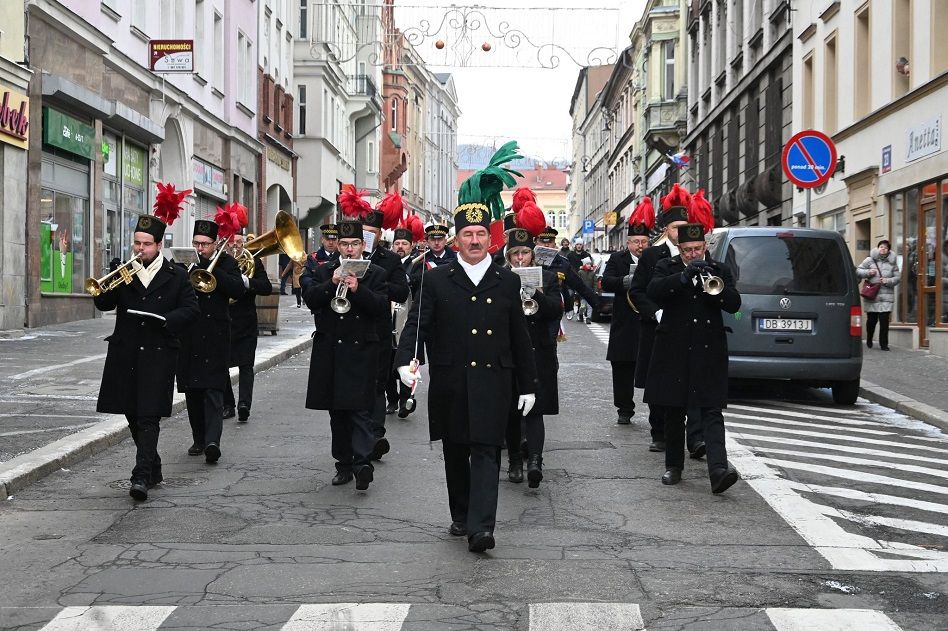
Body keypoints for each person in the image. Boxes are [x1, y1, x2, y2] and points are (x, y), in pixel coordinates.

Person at [395, 143, 538, 553]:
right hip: (451, 380)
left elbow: (519, 337)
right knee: (456, 452)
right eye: (467, 235)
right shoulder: (437, 279)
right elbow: (417, 324)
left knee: (488, 451)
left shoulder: (507, 282)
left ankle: (482, 527)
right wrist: (406, 361)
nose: (474, 240)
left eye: (480, 234)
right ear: (456, 240)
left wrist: (529, 385)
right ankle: (461, 514)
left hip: (495, 380)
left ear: (490, 239)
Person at [94, 213, 199, 501]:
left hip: (158, 352)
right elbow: (104, 303)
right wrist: (109, 281)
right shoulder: (124, 272)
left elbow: (191, 310)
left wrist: (167, 320)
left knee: (148, 415)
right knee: (131, 412)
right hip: (126, 352)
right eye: (137, 243)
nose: (140, 249)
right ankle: (153, 465)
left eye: (147, 244)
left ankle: (140, 476)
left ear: (159, 245)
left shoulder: (177, 275)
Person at [644, 222, 741, 494]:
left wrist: (715, 288)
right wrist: (683, 277)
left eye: (697, 249)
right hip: (674, 349)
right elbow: (653, 291)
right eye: (687, 250)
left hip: (708, 350)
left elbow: (734, 303)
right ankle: (674, 466)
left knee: (711, 410)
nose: (693, 254)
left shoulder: (719, 269)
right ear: (679, 249)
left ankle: (719, 470)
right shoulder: (667, 267)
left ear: (705, 247)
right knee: (674, 410)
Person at [302, 220, 390, 491]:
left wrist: (358, 290)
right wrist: (332, 283)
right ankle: (343, 464)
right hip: (331, 351)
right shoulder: (324, 270)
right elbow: (311, 299)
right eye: (344, 244)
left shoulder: (375, 273)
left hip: (362, 350)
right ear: (337, 246)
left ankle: (362, 464)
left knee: (360, 410)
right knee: (337, 413)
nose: (349, 249)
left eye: (354, 244)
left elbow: (381, 307)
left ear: (363, 245)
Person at [629, 186, 705, 455]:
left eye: (684, 227)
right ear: (666, 229)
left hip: (691, 329)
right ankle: (659, 432)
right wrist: (656, 312)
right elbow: (637, 291)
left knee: (695, 380)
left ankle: (696, 438)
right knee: (660, 382)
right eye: (675, 228)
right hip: (659, 327)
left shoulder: (697, 252)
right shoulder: (652, 255)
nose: (679, 232)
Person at [177, 219, 246, 464]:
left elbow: (238, 290)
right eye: (196, 243)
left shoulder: (227, 263)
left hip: (216, 334)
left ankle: (212, 441)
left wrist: (212, 269)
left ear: (215, 244)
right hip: (190, 335)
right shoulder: (184, 263)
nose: (200, 248)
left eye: (205, 244)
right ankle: (198, 439)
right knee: (193, 390)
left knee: (214, 389)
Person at [503, 228, 562, 487]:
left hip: (539, 350)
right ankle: (515, 461)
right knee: (512, 410)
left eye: (525, 253)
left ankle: (536, 461)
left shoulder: (548, 277)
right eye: (515, 253)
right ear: (508, 256)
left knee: (536, 409)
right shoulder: (501, 277)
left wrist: (535, 293)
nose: (520, 258)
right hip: (509, 351)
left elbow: (555, 310)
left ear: (532, 254)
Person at [362, 208, 411, 460]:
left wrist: (375, 282)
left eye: (372, 232)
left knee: (378, 383)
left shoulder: (389, 260)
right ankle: (359, 434)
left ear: (380, 234)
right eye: (364, 232)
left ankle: (376, 435)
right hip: (351, 331)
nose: (367, 237)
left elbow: (402, 292)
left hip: (378, 329)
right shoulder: (346, 255)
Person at [601, 207, 650, 425]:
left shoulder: (654, 258)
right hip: (625, 322)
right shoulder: (617, 259)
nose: (640, 246)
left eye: (644, 242)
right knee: (622, 368)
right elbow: (606, 281)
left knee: (652, 368)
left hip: (648, 320)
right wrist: (625, 281)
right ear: (628, 243)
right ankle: (624, 408)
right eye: (636, 242)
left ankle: (657, 411)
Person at [223, 234, 274, 422]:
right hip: (224, 320)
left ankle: (244, 404)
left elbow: (266, 287)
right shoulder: (219, 262)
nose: (235, 245)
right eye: (231, 242)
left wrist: (246, 281)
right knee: (222, 365)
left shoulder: (253, 261)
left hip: (245, 322)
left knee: (246, 365)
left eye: (239, 241)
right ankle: (227, 405)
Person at [386, 227, 417, 418]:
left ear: (411, 246)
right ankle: (392, 399)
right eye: (397, 243)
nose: (400, 247)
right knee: (387, 363)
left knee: (407, 361)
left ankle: (406, 399)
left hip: (408, 320)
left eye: (404, 244)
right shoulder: (389, 263)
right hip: (389, 318)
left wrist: (409, 280)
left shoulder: (418, 266)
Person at [856, 239, 901, 350]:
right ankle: (869, 338)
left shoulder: (892, 263)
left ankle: (884, 344)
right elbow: (858, 271)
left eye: (885, 247)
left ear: (888, 250)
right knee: (871, 321)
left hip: (886, 297)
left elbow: (897, 278)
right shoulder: (869, 260)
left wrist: (888, 281)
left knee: (884, 322)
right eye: (881, 247)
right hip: (872, 296)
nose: (883, 249)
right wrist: (868, 272)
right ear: (878, 248)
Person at [408, 223, 456, 296]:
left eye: (440, 239)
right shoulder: (420, 263)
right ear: (427, 242)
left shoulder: (457, 260)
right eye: (433, 239)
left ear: (445, 241)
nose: (436, 243)